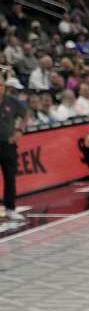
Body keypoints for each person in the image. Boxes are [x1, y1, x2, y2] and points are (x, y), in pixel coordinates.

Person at [0, 71, 29, 222]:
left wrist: (19, 130)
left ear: (4, 87)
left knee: (10, 177)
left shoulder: (11, 101)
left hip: (8, 145)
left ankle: (10, 209)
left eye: (1, 85)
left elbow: (25, 114)